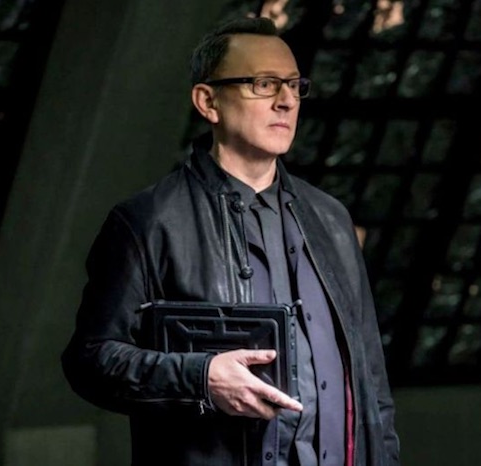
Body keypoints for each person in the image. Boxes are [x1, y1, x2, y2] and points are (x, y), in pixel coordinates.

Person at [62, 17, 399, 466]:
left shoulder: (331, 219)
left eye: (294, 86)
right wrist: (201, 378)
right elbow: (90, 360)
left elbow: (373, 385)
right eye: (264, 84)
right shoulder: (148, 221)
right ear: (208, 102)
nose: (286, 101)